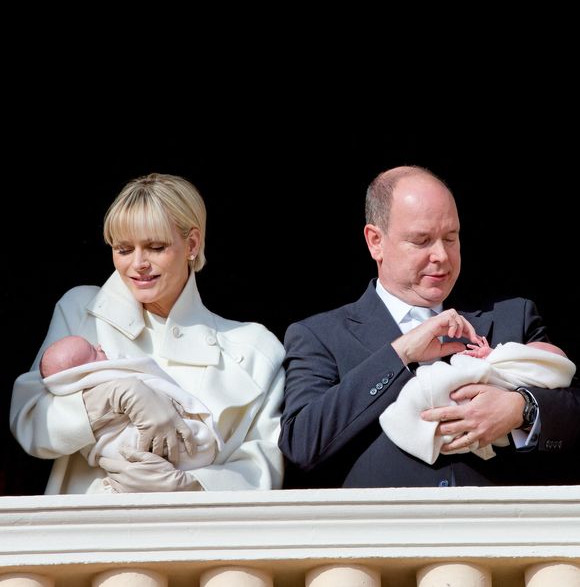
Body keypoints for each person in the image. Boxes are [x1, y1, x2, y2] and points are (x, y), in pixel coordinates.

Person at [279, 165, 580, 488]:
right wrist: (401, 352)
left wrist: (521, 409)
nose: (441, 255)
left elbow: (573, 409)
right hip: (383, 533)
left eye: (451, 238)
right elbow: (301, 444)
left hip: (500, 530)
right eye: (422, 241)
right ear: (375, 242)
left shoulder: (512, 318)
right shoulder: (319, 335)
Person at [11, 173, 285, 494]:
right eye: (124, 249)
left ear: (192, 244)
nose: (138, 263)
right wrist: (111, 398)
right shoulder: (81, 310)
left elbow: (263, 462)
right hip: (87, 534)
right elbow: (31, 423)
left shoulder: (255, 348)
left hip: (197, 537)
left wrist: (190, 487)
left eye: (155, 247)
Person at [39, 335, 224, 485]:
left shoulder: (248, 341)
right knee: (131, 446)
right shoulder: (77, 305)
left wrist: (192, 486)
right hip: (101, 503)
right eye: (92, 351)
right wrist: (111, 395)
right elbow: (38, 414)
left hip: (198, 490)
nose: (100, 347)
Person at [379, 337, 576, 464]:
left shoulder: (520, 313)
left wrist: (522, 407)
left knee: (435, 386)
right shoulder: (346, 327)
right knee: (426, 390)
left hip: (496, 498)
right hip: (388, 492)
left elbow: (570, 403)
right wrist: (400, 352)